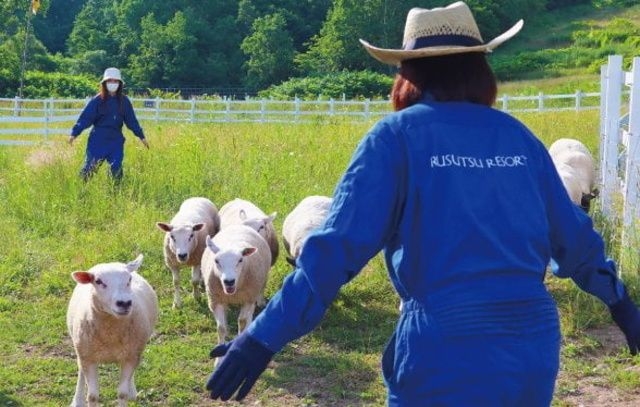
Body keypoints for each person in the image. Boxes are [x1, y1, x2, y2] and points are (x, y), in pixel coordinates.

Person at [205, 2, 640, 405]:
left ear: (408, 74)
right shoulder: (517, 138)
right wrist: (620, 303)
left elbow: (333, 252)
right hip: (530, 347)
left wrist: (262, 336)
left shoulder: (395, 139)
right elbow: (575, 239)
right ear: (480, 71)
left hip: (442, 345)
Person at [69, 67, 148, 181]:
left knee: (116, 168)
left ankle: (115, 194)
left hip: (115, 140)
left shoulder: (124, 101)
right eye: (110, 81)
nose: (112, 83)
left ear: (120, 84)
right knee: (90, 168)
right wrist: (75, 133)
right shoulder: (97, 100)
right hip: (98, 140)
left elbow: (131, 121)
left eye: (115, 81)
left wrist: (141, 136)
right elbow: (86, 118)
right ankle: (80, 192)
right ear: (105, 83)